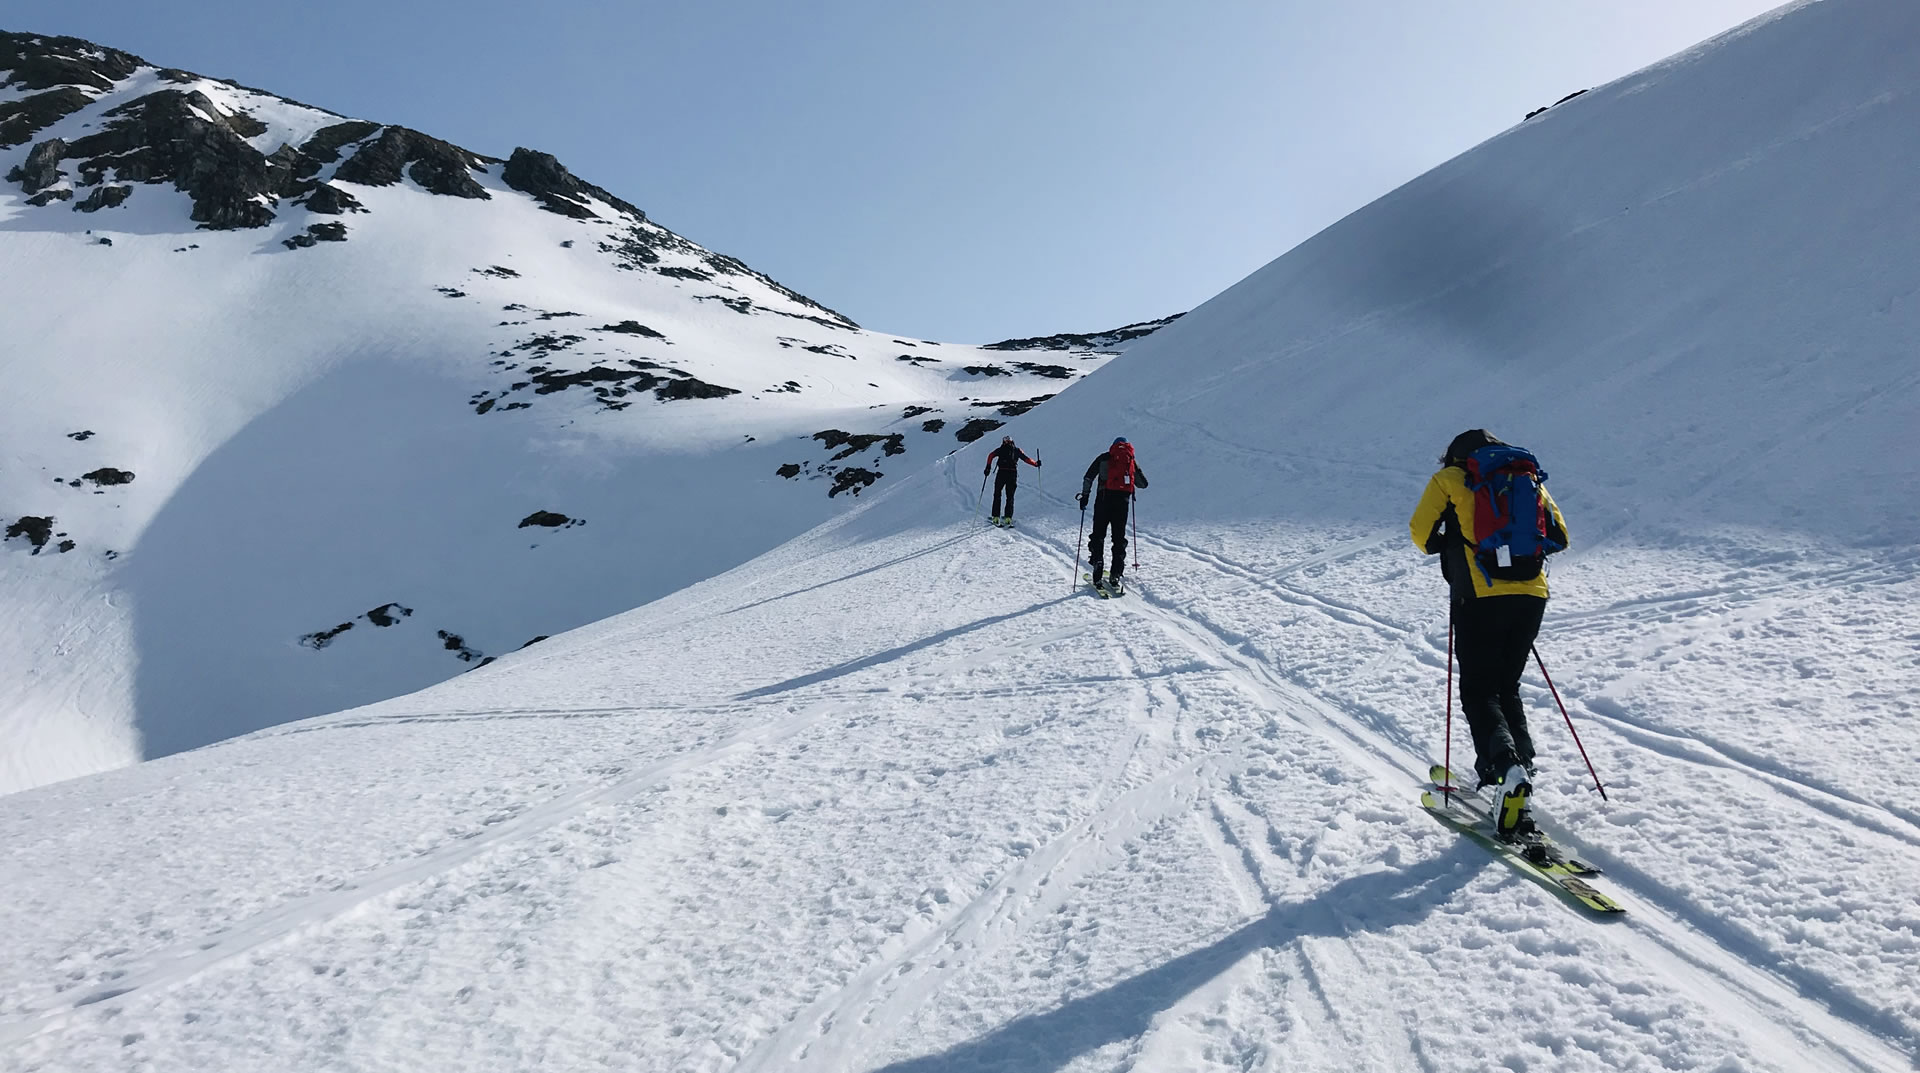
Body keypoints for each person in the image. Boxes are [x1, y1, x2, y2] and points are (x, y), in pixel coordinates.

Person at [1408, 429, 1569, 839]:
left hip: (1479, 595)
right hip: (1532, 594)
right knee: (1506, 687)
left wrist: (1455, 541)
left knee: (1479, 691)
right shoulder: (1524, 478)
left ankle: (1505, 769)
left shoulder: (1449, 481)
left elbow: (1421, 536)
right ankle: (1521, 774)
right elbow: (1559, 536)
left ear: (1453, 458)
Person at [1078, 437, 1147, 593]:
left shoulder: (1104, 457)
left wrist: (1085, 496)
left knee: (1098, 535)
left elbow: (1088, 477)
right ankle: (1115, 573)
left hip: (1103, 500)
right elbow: (1143, 484)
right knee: (1118, 538)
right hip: (1122, 503)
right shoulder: (1130, 460)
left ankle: (1098, 564)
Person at [983, 436, 1041, 526]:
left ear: (1004, 442)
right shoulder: (1017, 450)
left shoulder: (1000, 449)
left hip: (1001, 473)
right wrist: (1036, 464)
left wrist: (988, 468)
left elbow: (990, 455)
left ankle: (995, 517)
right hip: (1012, 474)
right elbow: (1026, 459)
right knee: (1010, 496)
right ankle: (1008, 518)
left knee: (997, 494)